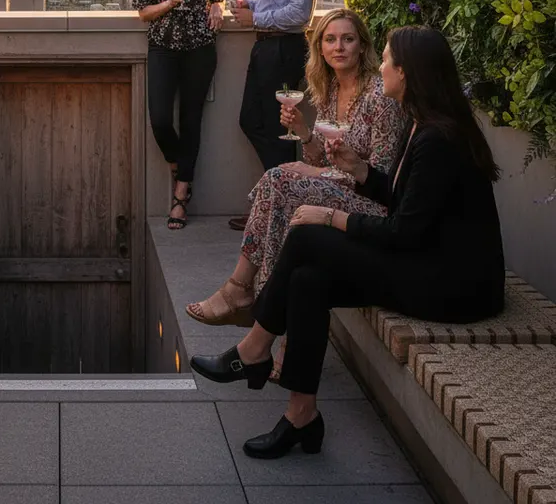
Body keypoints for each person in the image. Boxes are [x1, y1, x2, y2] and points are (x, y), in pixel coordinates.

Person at [190, 26, 505, 460]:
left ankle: (255, 347)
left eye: (389, 60)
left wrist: (333, 217)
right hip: (428, 264)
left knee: (308, 238)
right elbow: (402, 202)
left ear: (408, 74)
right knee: (307, 280)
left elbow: (403, 231)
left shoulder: (437, 139)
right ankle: (301, 414)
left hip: (453, 287)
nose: (383, 67)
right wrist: (359, 169)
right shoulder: (424, 125)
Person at [186, 9, 407, 343]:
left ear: (363, 46)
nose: (339, 47)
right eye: (330, 40)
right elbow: (321, 157)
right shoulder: (331, 90)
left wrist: (313, 172)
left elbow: (380, 179)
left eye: (348, 39)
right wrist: (303, 132)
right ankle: (269, 322)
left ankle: (242, 293)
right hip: (340, 192)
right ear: (320, 48)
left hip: (371, 208)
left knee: (280, 182)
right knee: (282, 194)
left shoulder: (379, 97)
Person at [133, 0, 226, 229]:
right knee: (159, 118)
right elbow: (143, 11)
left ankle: (181, 194)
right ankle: (177, 163)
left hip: (200, 50)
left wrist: (216, 5)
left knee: (191, 120)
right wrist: (168, 3)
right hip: (163, 48)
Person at [231, 0, 318, 230]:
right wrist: (251, 5)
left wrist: (256, 20)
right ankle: (277, 204)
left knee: (274, 129)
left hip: (284, 50)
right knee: (253, 121)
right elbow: (275, 1)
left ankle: (277, 211)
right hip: (267, 47)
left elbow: (300, 13)